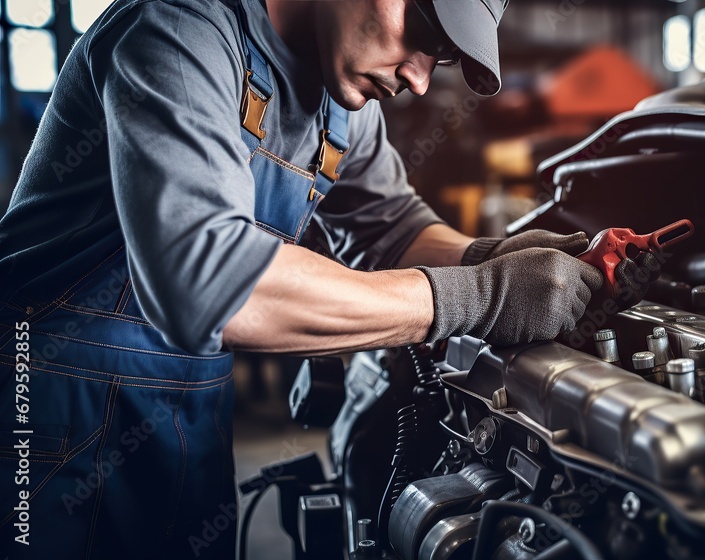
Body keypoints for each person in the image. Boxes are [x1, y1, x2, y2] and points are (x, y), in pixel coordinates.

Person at [0, 1, 654, 558]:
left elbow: (393, 228)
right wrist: (483, 295)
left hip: (185, 410)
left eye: (442, 59)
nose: (420, 80)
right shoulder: (178, 33)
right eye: (424, 34)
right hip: (51, 403)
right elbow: (209, 287)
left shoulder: (344, 105)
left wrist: (506, 259)